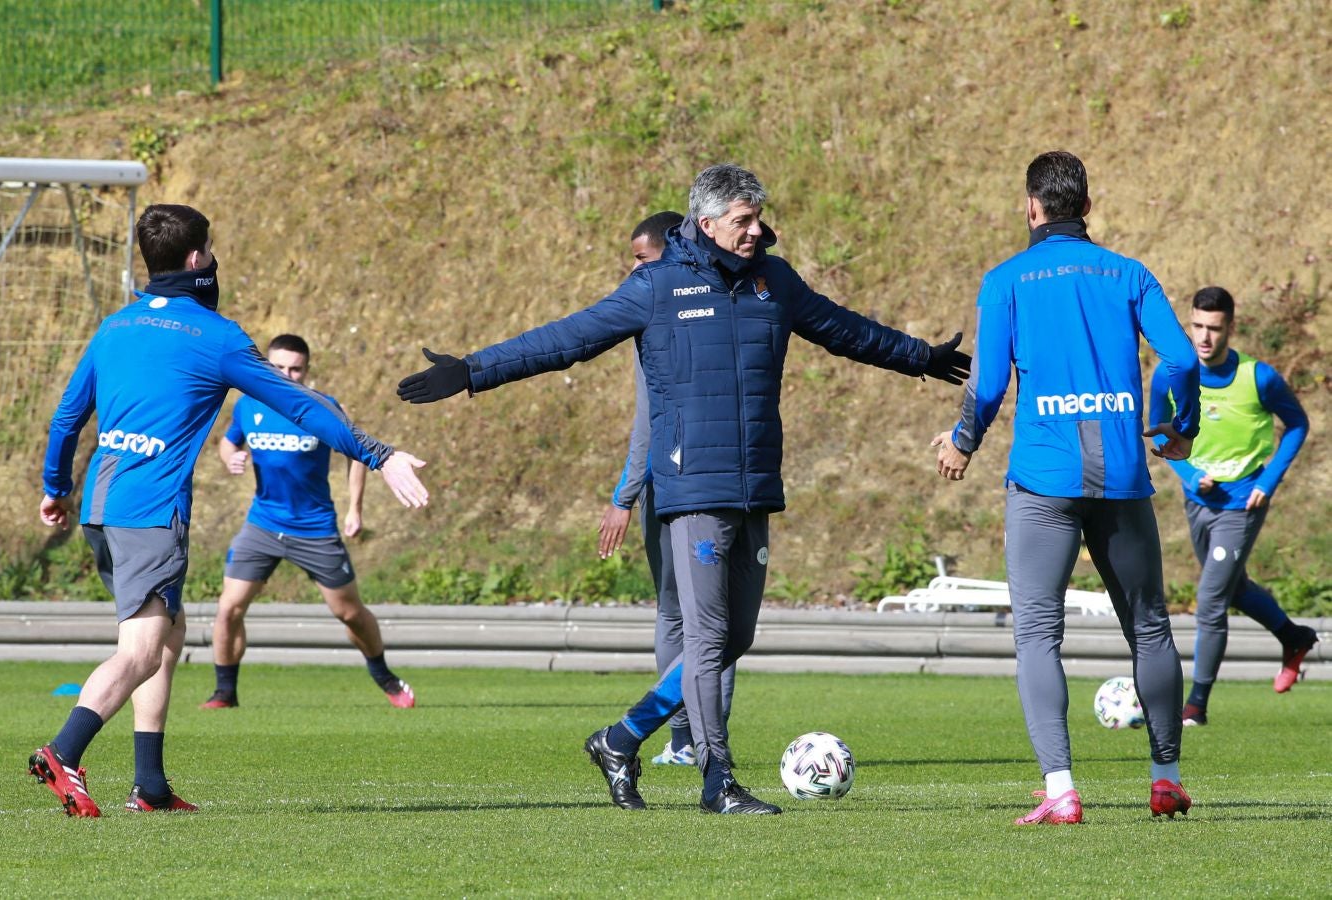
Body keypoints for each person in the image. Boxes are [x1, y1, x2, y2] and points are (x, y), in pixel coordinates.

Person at [399, 164, 970, 814]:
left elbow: (847, 331)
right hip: (690, 485)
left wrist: (918, 356)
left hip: (754, 483)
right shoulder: (656, 286)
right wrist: (474, 371)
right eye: (743, 221)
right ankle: (717, 780)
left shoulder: (774, 283)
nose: (758, 230)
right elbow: (566, 339)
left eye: (759, 217)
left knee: (734, 640)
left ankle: (621, 739)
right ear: (707, 225)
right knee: (704, 641)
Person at [34, 204, 428, 817]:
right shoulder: (216, 337)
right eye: (211, 252)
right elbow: (300, 405)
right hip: (151, 510)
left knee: (168, 636)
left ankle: (151, 785)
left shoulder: (114, 326)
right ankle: (65, 751)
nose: (214, 261)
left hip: (100, 506)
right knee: (140, 648)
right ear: (197, 261)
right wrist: (378, 454)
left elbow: (67, 418)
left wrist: (54, 487)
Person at [932, 150, 1201, 825]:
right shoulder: (1128, 273)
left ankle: (1062, 791)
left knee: (1038, 637)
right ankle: (1164, 778)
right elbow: (1182, 356)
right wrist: (1174, 425)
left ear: (1032, 208)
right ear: (1087, 205)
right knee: (1149, 629)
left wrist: (961, 442)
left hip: (1043, 481)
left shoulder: (1006, 281)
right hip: (1122, 475)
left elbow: (989, 385)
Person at [201, 334, 417, 711]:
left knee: (348, 612)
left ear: (307, 370)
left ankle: (384, 674)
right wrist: (229, 457)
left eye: (296, 368)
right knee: (229, 607)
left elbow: (357, 453)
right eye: (279, 367)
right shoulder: (248, 405)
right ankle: (224, 693)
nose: (288, 375)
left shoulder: (322, 408)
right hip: (263, 524)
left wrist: (356, 509)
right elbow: (227, 441)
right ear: (266, 367)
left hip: (315, 528)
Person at [597, 211, 736, 768]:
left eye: (640, 258)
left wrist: (623, 497)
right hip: (708, 481)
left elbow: (650, 420)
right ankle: (695, 741)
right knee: (698, 617)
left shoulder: (661, 307)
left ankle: (690, 740)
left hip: (677, 485)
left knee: (690, 617)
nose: (633, 269)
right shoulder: (715, 302)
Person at [1149, 286, 1316, 724]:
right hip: (1198, 500)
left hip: (1243, 500)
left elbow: (1298, 424)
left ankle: (1196, 705)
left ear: (1230, 328)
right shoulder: (1169, 374)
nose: (1204, 337)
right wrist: (1187, 474)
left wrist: (1270, 478)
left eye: (1214, 328)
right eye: (1197, 326)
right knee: (1233, 588)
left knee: (1210, 598)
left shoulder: (1258, 377)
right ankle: (1293, 636)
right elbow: (1155, 431)